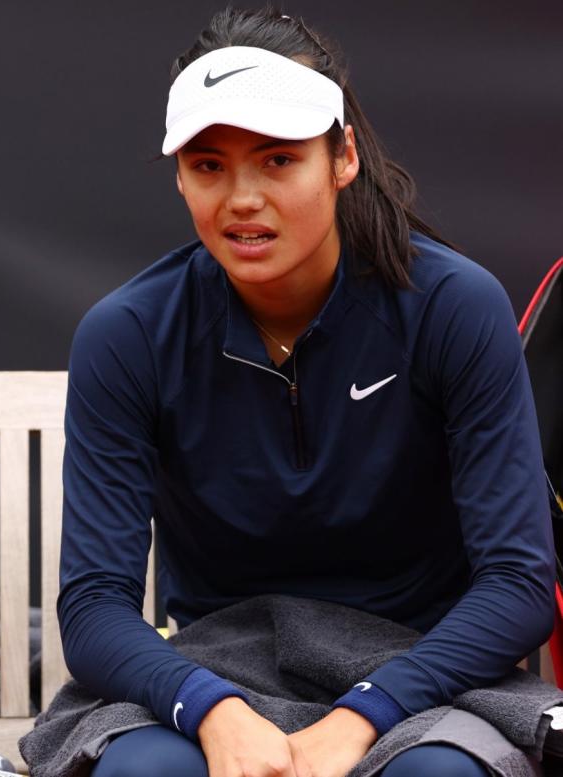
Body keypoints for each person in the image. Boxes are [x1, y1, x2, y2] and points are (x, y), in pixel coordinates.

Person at [49, 8, 554, 777]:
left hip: (428, 676)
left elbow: (518, 583)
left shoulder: (453, 305)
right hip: (219, 670)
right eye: (208, 164)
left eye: (278, 160)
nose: (242, 198)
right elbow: (92, 606)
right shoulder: (127, 334)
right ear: (181, 174)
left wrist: (364, 714)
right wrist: (210, 708)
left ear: (342, 156)